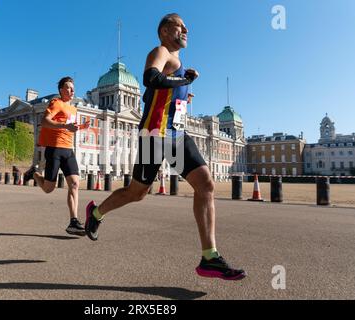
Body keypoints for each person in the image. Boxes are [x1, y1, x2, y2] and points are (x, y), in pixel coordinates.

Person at [85, 13, 246, 281]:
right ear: (163, 31)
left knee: (205, 185)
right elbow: (150, 78)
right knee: (137, 193)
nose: (186, 29)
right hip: (154, 134)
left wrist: (182, 92)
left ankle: (209, 257)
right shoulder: (160, 51)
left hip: (176, 134)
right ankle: (97, 212)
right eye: (179, 25)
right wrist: (184, 82)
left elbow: (151, 94)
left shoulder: (179, 64)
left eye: (186, 27)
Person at [23, 76, 90, 236]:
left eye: (73, 88)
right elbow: (45, 121)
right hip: (54, 149)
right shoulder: (56, 103)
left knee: (74, 183)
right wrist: (64, 125)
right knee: (48, 188)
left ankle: (73, 221)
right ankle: (34, 174)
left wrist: (81, 126)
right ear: (61, 90)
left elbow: (69, 127)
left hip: (69, 149)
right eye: (68, 88)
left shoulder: (73, 109)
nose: (72, 90)